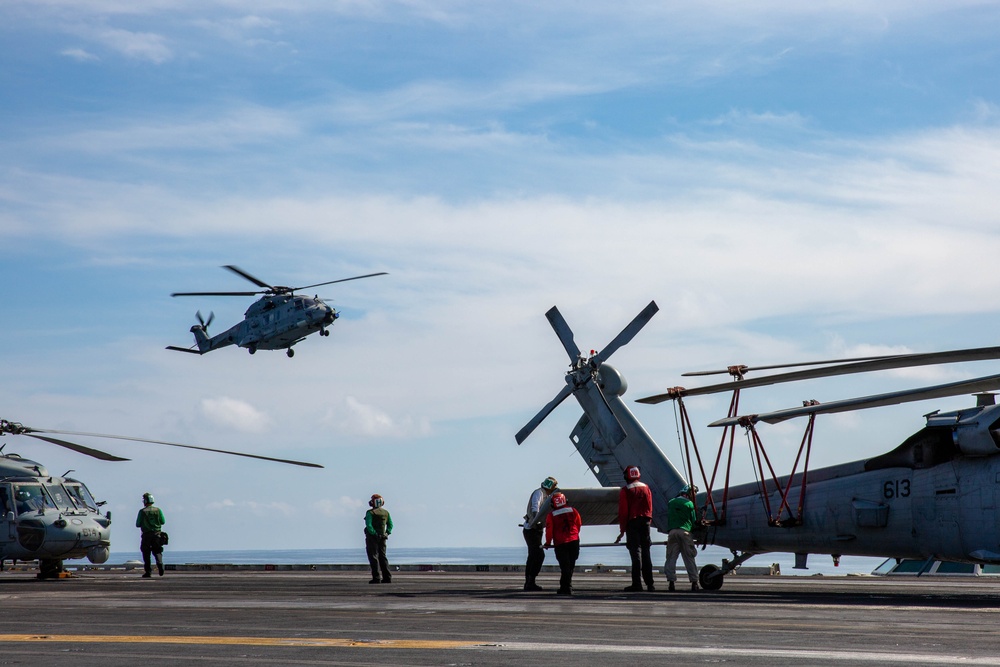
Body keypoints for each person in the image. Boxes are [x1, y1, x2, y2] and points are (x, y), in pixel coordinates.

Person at [615, 465, 654, 592]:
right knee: (646, 552)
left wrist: (622, 530)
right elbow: (650, 507)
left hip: (633, 523)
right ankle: (650, 584)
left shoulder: (625, 490)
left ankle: (637, 583)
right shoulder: (646, 487)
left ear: (627, 476)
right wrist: (648, 521)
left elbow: (623, 513)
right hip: (646, 522)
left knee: (636, 553)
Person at [522, 476, 558, 592]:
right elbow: (535, 507)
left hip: (534, 529)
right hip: (531, 528)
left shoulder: (545, 494)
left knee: (533, 556)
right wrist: (537, 521)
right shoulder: (539, 493)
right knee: (538, 555)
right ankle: (530, 582)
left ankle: (529, 582)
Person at [544, 492, 582, 596]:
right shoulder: (573, 511)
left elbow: (549, 531)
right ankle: (566, 586)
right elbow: (578, 524)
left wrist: (547, 543)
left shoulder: (551, 515)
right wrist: (574, 535)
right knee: (571, 565)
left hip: (561, 543)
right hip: (574, 541)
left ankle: (566, 587)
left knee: (565, 566)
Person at [665, 484, 700, 591]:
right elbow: (694, 521)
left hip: (672, 532)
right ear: (689, 494)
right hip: (685, 532)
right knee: (689, 557)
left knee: (671, 558)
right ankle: (694, 582)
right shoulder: (689, 504)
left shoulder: (671, 503)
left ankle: (671, 582)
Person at [135, 492, 166, 578]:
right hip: (157, 534)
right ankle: (160, 565)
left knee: (146, 553)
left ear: (145, 501)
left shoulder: (142, 511)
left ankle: (148, 572)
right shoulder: (158, 510)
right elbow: (163, 521)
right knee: (157, 551)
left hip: (146, 535)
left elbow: (137, 524)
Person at [364, 493, 393, 584]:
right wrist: (386, 533)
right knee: (383, 557)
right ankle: (387, 577)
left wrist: (374, 533)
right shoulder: (386, 513)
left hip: (372, 538)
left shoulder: (370, 513)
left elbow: (369, 525)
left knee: (373, 557)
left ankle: (376, 578)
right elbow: (390, 525)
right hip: (383, 537)